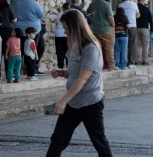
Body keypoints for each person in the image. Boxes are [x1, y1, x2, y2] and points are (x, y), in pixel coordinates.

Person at [46, 9, 113, 157]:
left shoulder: (91, 47)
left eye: (66, 28)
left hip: (90, 102)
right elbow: (76, 70)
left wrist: (62, 101)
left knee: (99, 142)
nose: (64, 32)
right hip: (74, 101)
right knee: (58, 140)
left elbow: (83, 78)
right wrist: (64, 72)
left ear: (75, 27)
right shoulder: (74, 44)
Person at [11, 0, 44, 73]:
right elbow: (41, 15)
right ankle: (31, 72)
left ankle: (14, 71)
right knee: (31, 51)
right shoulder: (34, 3)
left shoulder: (15, 2)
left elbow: (11, 14)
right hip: (33, 30)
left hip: (19, 29)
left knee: (18, 51)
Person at [87, 0, 118, 71]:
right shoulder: (106, 4)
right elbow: (110, 17)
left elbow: (88, 15)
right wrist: (113, 25)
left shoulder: (92, 4)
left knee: (97, 49)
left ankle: (97, 66)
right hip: (106, 29)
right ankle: (111, 66)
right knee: (109, 48)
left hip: (94, 30)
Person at [0, 0, 17, 77]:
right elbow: (13, 19)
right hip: (8, 31)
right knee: (8, 52)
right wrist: (15, 20)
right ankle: (9, 73)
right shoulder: (8, 6)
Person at [118, 0, 140, 69]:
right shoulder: (134, 4)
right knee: (132, 44)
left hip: (122, 26)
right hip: (132, 25)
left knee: (122, 45)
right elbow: (138, 15)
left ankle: (121, 62)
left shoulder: (120, 4)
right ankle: (131, 62)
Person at [30, 0, 46, 75]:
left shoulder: (37, 4)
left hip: (39, 28)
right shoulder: (32, 4)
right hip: (34, 29)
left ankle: (35, 65)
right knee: (34, 48)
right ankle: (32, 68)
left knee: (41, 47)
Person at [136, 0, 153, 65]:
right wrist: (152, 30)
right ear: (143, 1)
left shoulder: (135, 8)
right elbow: (151, 20)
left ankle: (137, 60)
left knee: (137, 45)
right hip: (145, 29)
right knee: (145, 45)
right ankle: (145, 60)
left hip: (136, 28)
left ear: (138, 1)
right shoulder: (146, 9)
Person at [55, 3, 71, 69]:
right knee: (68, 50)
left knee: (59, 52)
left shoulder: (59, 14)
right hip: (66, 34)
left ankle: (60, 67)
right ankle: (68, 66)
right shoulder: (69, 15)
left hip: (58, 34)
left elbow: (56, 23)